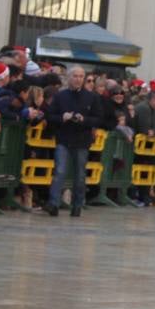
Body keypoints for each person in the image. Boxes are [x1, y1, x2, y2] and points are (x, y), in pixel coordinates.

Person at [45, 65, 102, 217]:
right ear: (69, 78)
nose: (78, 79)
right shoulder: (60, 96)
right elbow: (49, 116)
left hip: (82, 140)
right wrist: (62, 117)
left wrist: (84, 120)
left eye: (81, 76)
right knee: (60, 171)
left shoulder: (92, 97)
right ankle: (53, 204)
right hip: (64, 138)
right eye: (75, 76)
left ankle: (77, 205)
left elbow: (98, 118)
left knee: (80, 175)